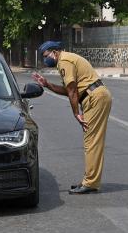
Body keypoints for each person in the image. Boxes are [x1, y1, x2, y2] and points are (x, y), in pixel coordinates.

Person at [32, 41, 112, 194]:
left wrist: (76, 113)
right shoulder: (65, 60)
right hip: (94, 96)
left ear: (54, 52)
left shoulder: (65, 61)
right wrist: (47, 84)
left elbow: (72, 91)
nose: (45, 60)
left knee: (92, 141)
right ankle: (90, 180)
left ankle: (90, 183)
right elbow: (68, 90)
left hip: (94, 97)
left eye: (46, 56)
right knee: (91, 140)